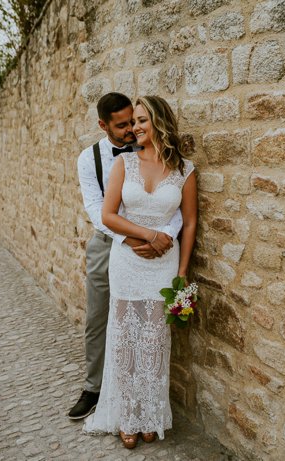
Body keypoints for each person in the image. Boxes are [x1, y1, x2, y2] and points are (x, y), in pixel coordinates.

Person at [83, 95, 198, 448]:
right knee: (124, 340)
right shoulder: (124, 164)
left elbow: (191, 223)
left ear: (159, 121)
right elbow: (108, 215)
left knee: (155, 342)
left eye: (142, 121)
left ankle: (151, 414)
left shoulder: (185, 170)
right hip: (127, 262)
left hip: (164, 266)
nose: (135, 128)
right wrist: (148, 234)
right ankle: (128, 416)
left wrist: (181, 273)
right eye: (133, 122)